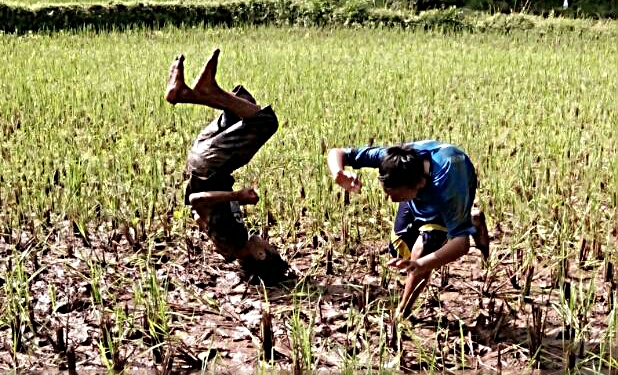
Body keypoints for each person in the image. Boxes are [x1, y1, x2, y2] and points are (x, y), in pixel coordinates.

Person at [165, 48, 290, 285]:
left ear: (260, 255)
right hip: (204, 161)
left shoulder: (232, 241)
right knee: (243, 103)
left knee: (265, 122)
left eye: (271, 248)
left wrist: (238, 195)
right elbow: (205, 211)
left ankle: (202, 93)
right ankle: (185, 93)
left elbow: (197, 201)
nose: (268, 242)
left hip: (209, 165)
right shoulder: (233, 242)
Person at [327, 140, 490, 318]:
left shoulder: (448, 190)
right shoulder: (394, 160)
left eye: (393, 195)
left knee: (422, 252)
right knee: (400, 249)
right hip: (421, 191)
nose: (390, 200)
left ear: (418, 185)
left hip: (450, 188)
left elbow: (460, 244)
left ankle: (402, 313)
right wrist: (338, 172)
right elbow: (338, 152)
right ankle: (470, 219)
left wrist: (421, 264)